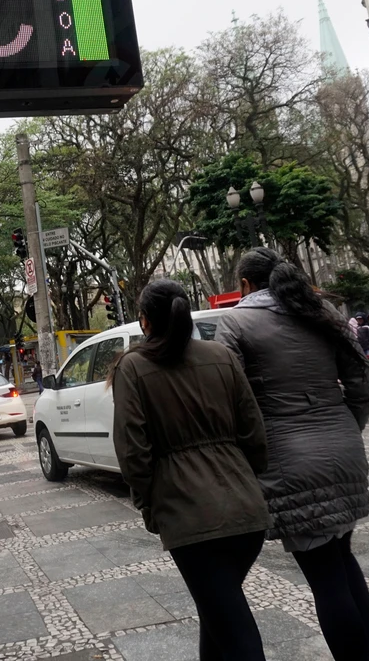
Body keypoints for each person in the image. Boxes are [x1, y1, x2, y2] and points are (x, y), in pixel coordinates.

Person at [217, 248, 369, 661]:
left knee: (325, 577)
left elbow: (231, 401)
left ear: (246, 285)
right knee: (342, 558)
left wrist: (253, 452)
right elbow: (364, 383)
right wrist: (347, 424)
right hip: (344, 447)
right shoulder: (320, 311)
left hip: (288, 458)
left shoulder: (236, 322)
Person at [111, 279, 270, 661]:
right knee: (217, 613)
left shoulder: (133, 367)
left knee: (231, 626)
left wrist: (148, 502)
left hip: (189, 518)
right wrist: (249, 479)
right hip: (247, 510)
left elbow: (133, 452)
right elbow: (254, 431)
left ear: (144, 322)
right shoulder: (220, 354)